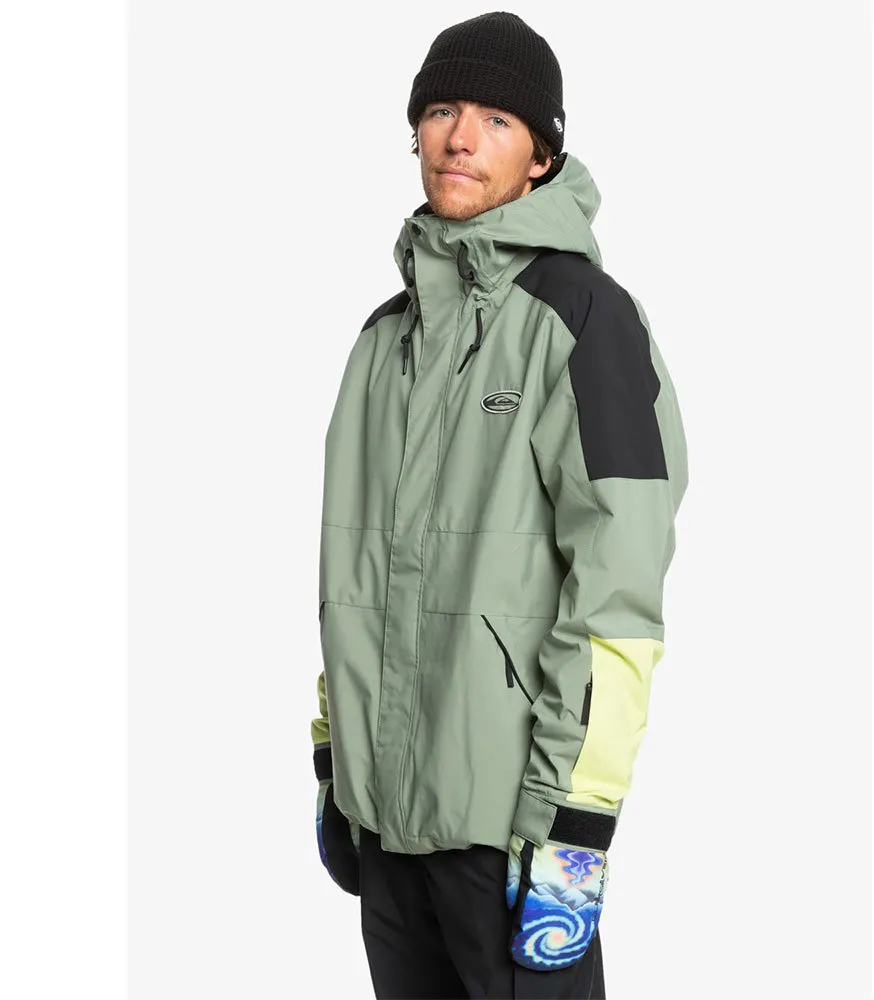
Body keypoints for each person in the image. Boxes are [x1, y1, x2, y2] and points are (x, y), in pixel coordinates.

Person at [310, 11, 689, 999]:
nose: (460, 137)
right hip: (385, 825)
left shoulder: (583, 321)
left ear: (541, 156)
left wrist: (578, 821)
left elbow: (619, 595)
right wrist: (334, 755)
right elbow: (354, 577)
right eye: (441, 110)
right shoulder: (380, 343)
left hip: (514, 835)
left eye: (496, 119)